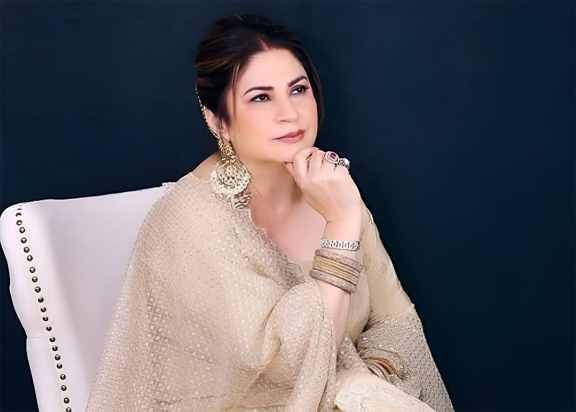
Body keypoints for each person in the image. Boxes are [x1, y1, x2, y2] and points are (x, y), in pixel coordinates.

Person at [85, 13, 454, 412]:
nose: (289, 113)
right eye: (261, 97)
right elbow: (291, 369)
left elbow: (396, 321)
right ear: (217, 119)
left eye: (298, 90)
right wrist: (341, 225)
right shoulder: (189, 221)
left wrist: (364, 386)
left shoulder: (332, 190)